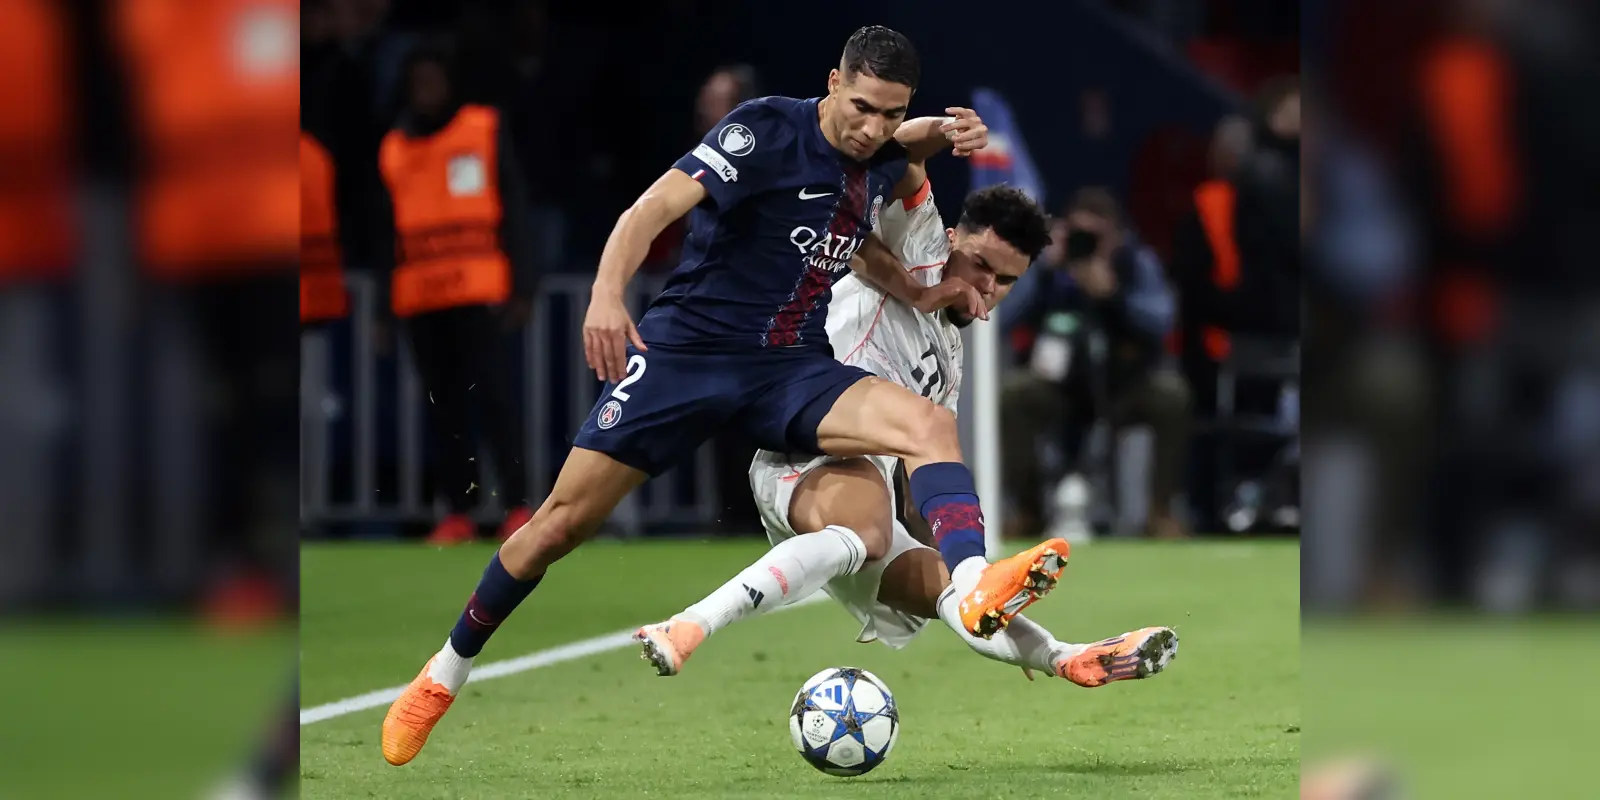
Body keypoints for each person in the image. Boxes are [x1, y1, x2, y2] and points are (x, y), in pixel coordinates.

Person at [381, 25, 1070, 767]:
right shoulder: (764, 130)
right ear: (834, 83)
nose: (874, 129)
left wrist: (921, 264)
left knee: (928, 424)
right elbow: (649, 210)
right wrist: (607, 295)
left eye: (890, 113)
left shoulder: (880, 158)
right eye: (863, 107)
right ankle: (443, 673)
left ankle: (973, 581)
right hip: (688, 356)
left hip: (787, 366)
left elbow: (877, 209)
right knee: (558, 525)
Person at [635, 181, 1179, 687]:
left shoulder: (949, 360)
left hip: (864, 488)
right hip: (804, 447)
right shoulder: (915, 252)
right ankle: (690, 624)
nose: (987, 287)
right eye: (980, 264)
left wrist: (933, 543)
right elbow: (906, 166)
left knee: (945, 589)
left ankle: (1066, 657)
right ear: (951, 240)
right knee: (881, 536)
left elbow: (923, 485)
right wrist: (939, 131)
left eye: (1005, 280)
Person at [374, 44, 539, 543]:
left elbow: (515, 207)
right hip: (421, 298)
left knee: (496, 401)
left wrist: (524, 285)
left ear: (450, 84)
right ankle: (457, 512)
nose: (427, 91)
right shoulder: (393, 147)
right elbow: (384, 235)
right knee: (443, 410)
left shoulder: (482, 128)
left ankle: (517, 506)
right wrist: (382, 310)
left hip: (479, 292)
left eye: (434, 80)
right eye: (418, 82)